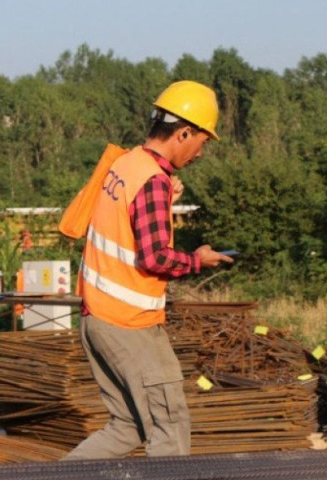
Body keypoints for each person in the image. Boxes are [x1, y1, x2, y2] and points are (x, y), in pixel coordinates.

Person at [64, 80, 234, 460]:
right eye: (202, 141)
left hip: (97, 320)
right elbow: (155, 258)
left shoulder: (125, 164)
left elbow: (123, 227)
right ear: (184, 132)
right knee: (169, 427)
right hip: (130, 325)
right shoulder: (151, 181)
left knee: (126, 428)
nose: (201, 152)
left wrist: (163, 201)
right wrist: (198, 260)